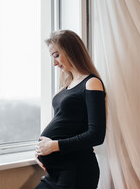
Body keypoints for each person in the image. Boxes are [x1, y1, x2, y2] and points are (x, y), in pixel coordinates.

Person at [35, 30, 106, 189]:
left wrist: (53, 146)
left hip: (76, 170)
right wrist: (42, 149)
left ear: (70, 51)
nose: (54, 63)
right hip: (56, 171)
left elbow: (96, 135)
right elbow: (65, 124)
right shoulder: (66, 86)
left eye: (56, 55)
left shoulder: (92, 83)